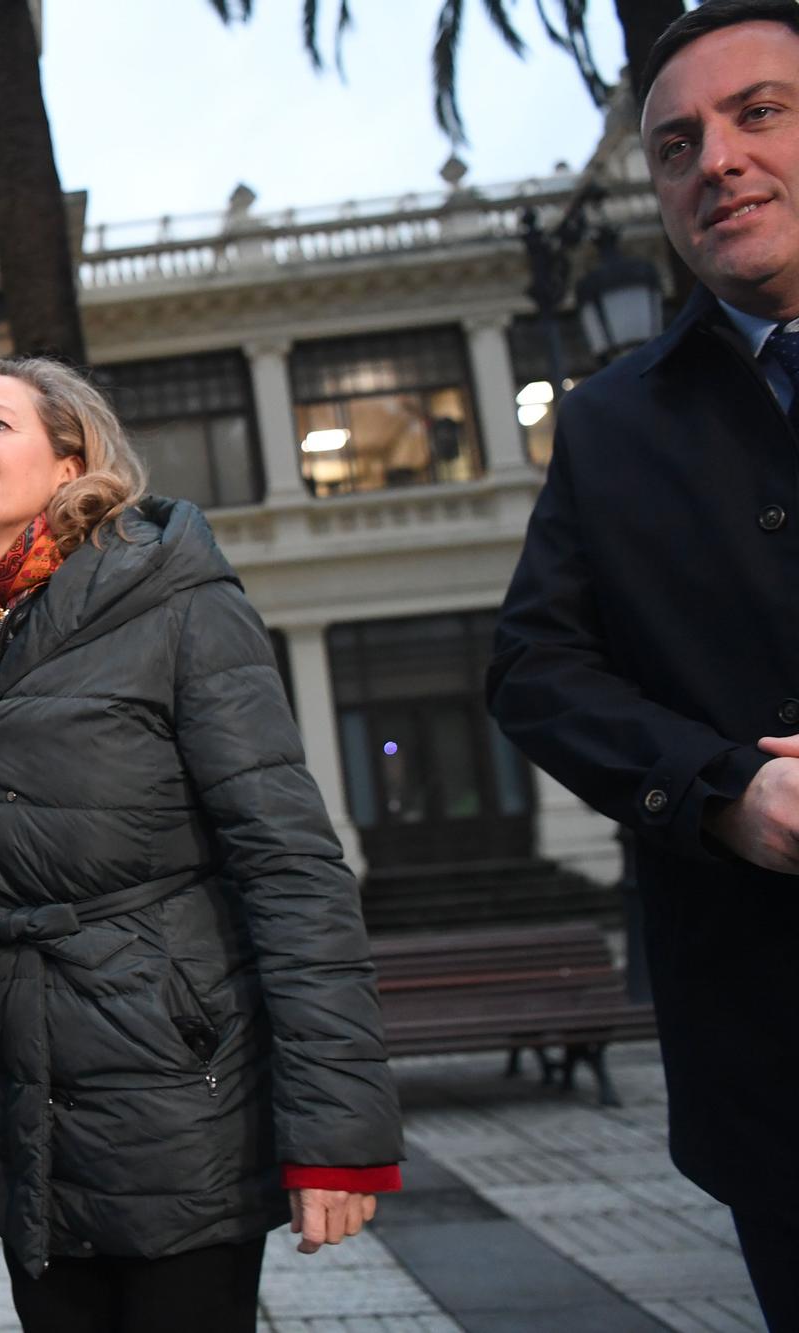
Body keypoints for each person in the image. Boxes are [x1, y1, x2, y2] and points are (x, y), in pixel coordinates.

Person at [0, 357, 402, 1333]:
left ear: (70, 459)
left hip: (178, 1085)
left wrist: (336, 1133)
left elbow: (288, 864)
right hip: (20, 1105)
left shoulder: (174, 599)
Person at [487, 2, 799, 1323]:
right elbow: (537, 671)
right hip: (775, 1046)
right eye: (676, 145)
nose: (715, 161)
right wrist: (721, 787)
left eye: (760, 114)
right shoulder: (613, 425)